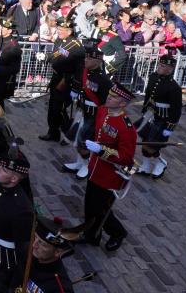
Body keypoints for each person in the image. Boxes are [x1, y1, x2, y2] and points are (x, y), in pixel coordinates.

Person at [67, 83, 136, 252]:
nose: (108, 97)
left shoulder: (126, 128)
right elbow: (98, 133)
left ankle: (118, 232)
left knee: (101, 208)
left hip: (109, 174)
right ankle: (92, 235)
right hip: (95, 168)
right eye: (110, 95)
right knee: (90, 203)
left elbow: (126, 157)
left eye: (113, 97)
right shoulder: (103, 111)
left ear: (122, 104)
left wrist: (102, 150)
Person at [0, 146, 34, 292]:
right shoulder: (0, 186)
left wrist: (17, 283)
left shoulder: (22, 210)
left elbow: (23, 251)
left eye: (3, 169)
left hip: (7, 263)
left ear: (14, 178)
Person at [62, 45, 111, 180]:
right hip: (83, 110)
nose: (86, 60)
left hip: (94, 115)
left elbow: (106, 102)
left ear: (97, 61)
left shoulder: (103, 80)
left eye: (89, 58)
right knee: (77, 137)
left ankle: (87, 165)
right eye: (86, 57)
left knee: (84, 141)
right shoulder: (85, 72)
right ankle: (79, 163)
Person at [137, 53, 182, 179]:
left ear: (170, 69)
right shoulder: (153, 77)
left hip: (163, 119)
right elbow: (148, 95)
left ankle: (160, 163)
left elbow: (176, 110)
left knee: (152, 145)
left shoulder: (174, 87)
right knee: (144, 141)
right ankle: (145, 166)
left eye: (163, 66)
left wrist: (170, 127)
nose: (160, 67)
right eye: (160, 65)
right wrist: (144, 110)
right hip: (150, 115)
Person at [40, 18, 84, 143]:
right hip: (56, 77)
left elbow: (80, 68)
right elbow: (56, 54)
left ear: (69, 32)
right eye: (58, 28)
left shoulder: (76, 46)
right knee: (53, 107)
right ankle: (53, 132)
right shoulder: (59, 40)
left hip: (66, 80)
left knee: (60, 109)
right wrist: (46, 57)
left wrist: (76, 87)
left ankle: (68, 134)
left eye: (61, 29)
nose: (58, 31)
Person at [20, 217, 76, 293]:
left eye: (42, 243)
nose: (34, 245)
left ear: (58, 252)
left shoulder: (58, 286)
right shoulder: (27, 251)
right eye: (35, 237)